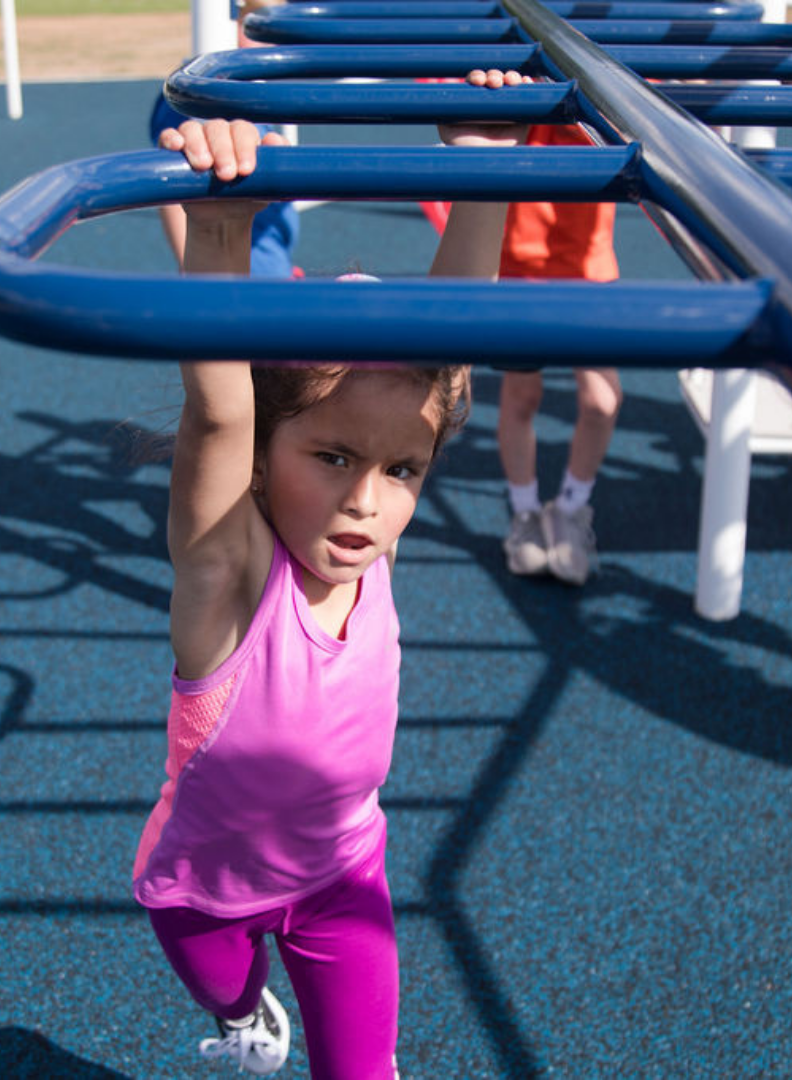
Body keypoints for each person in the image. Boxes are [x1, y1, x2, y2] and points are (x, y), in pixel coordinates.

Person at [132, 70, 529, 1079]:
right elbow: (219, 407)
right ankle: (242, 1011)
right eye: (335, 460)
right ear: (266, 453)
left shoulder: (371, 530)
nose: (368, 504)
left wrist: (481, 158)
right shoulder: (229, 570)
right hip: (202, 887)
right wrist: (221, 220)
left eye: (402, 471)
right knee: (222, 985)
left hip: (344, 875)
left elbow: (454, 347)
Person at [496, 124, 622, 586]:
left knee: (601, 401)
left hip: (588, 264)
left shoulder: (608, 69)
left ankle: (570, 507)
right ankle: (525, 512)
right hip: (520, 262)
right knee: (522, 394)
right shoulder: (530, 65)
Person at [148, 0, 300, 278]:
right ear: (228, 23)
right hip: (236, 280)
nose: (268, 39)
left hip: (268, 278)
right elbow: (180, 197)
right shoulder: (195, 100)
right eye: (252, 23)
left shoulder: (256, 97)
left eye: (277, 27)